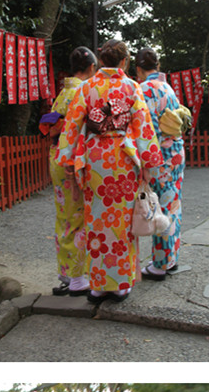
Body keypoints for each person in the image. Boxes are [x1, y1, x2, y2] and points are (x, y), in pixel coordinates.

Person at [56, 38, 163, 304]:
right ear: (125, 62)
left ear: (101, 60)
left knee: (96, 220)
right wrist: (149, 164)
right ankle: (120, 285)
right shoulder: (132, 87)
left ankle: (98, 285)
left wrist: (68, 160)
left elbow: (71, 126)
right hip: (124, 159)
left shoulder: (88, 87)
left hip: (95, 160)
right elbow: (144, 128)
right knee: (123, 222)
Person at [39, 46, 98, 295]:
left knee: (64, 215)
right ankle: (76, 278)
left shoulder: (63, 92)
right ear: (92, 68)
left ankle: (65, 271)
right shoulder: (83, 91)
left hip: (56, 157)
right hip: (72, 159)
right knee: (77, 217)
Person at [134, 47, 190, 279]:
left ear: (138, 68)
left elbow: (146, 130)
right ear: (157, 66)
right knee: (172, 206)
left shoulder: (143, 89)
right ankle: (171, 259)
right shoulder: (168, 87)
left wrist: (143, 161)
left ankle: (161, 264)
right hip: (176, 153)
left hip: (159, 157)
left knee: (160, 209)